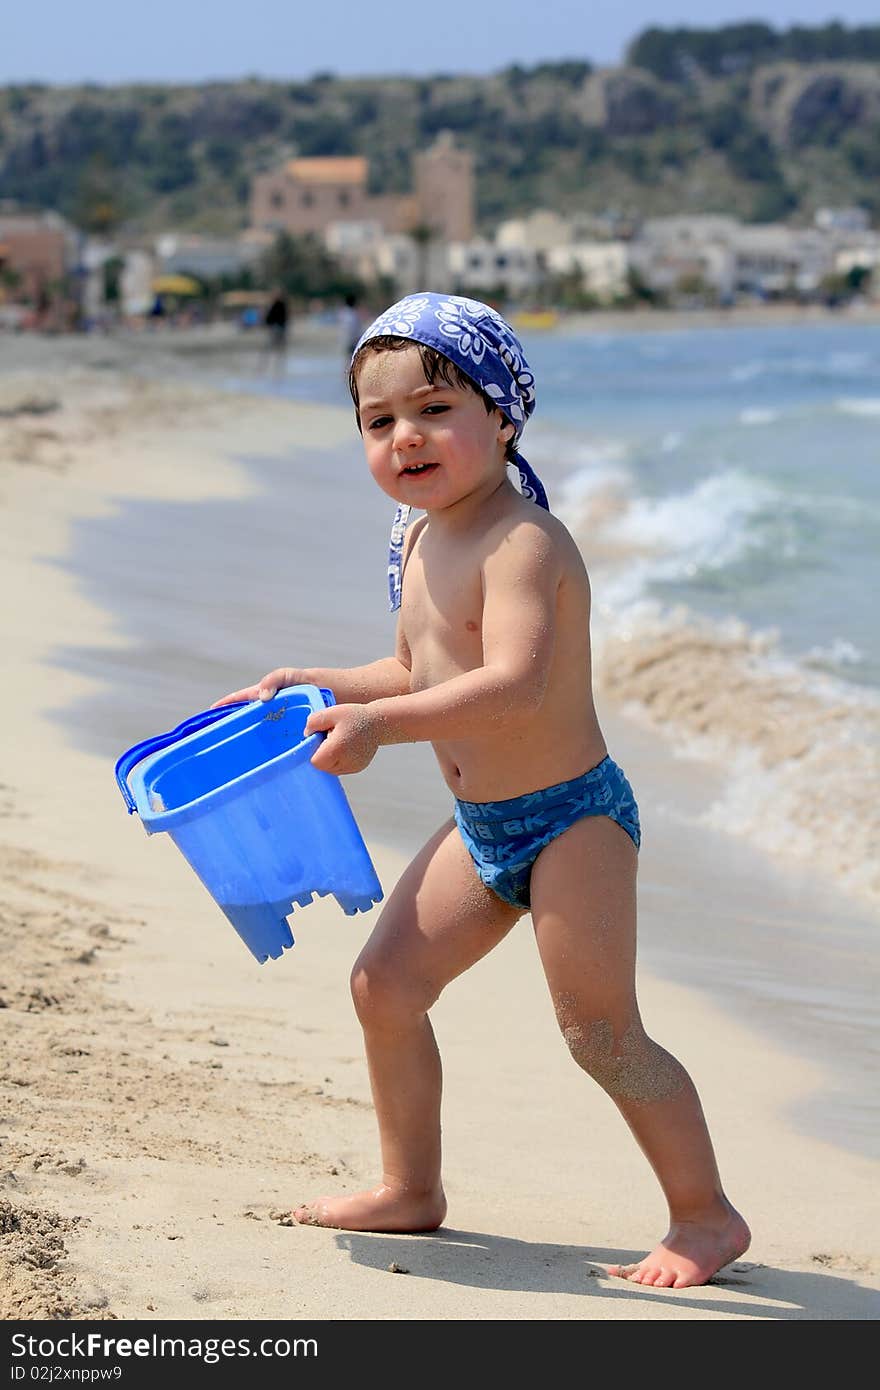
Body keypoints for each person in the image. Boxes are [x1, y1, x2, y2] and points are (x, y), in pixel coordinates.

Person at [213, 293, 750, 1288]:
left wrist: (379, 727)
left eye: (434, 409)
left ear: (501, 414)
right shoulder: (417, 538)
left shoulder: (522, 542)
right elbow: (416, 672)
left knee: (601, 1032)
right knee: (383, 987)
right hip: (484, 825)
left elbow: (510, 690)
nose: (404, 437)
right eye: (379, 421)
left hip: (573, 820)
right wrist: (318, 688)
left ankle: (704, 1213)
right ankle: (410, 1185)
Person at [263, 287, 289, 374]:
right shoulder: (279, 304)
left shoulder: (278, 304)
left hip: (278, 328)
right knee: (275, 347)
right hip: (277, 328)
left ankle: (277, 366)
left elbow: (271, 317)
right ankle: (276, 366)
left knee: (275, 347)